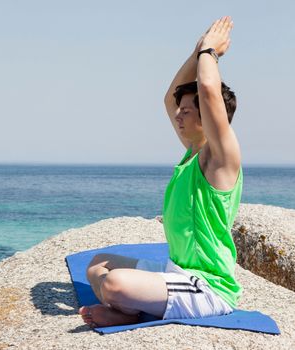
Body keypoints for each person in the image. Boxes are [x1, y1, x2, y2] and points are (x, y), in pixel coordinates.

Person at [79, 16, 243, 327]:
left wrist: (211, 52)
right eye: (179, 110)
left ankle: (125, 308)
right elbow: (169, 97)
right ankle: (130, 305)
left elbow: (209, 89)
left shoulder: (221, 159)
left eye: (187, 110)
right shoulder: (192, 153)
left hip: (207, 289)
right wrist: (196, 53)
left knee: (114, 284)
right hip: (176, 272)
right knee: (96, 265)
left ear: (208, 116)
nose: (178, 114)